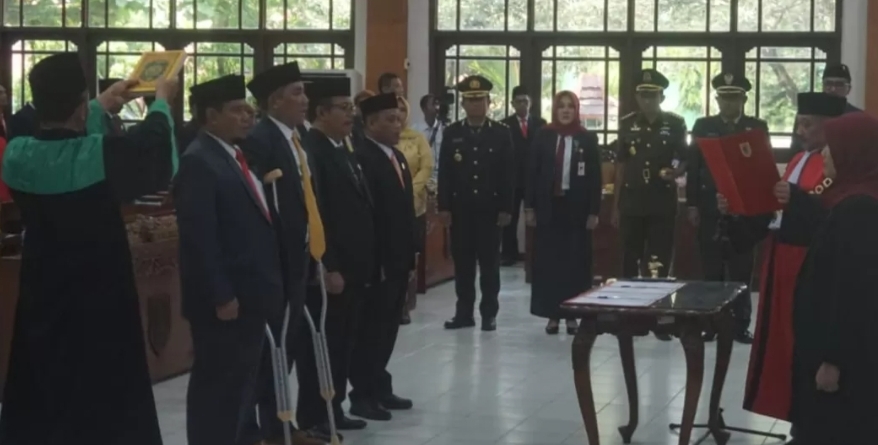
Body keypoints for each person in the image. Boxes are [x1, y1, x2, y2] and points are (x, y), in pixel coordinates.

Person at [0, 52, 178, 445]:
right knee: (103, 391)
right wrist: (161, 102)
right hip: (100, 293)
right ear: (80, 107)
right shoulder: (100, 153)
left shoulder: (17, 154)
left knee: (42, 380)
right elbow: (152, 152)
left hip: (42, 290)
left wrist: (99, 103)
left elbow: (52, 138)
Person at [719, 92, 847, 427]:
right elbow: (776, 211)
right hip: (780, 261)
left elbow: (828, 215)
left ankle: (810, 418)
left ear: (830, 127)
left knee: (801, 341)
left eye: (807, 124)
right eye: (798, 123)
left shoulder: (838, 163)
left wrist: (795, 198)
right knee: (779, 342)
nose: (799, 131)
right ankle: (789, 411)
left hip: (809, 264)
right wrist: (736, 209)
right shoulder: (798, 160)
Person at [244, 61, 329, 445]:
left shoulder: (299, 137)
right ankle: (264, 428)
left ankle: (281, 424)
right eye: (297, 93)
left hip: (300, 257)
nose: (305, 100)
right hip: (276, 262)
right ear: (275, 101)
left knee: (288, 347)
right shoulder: (261, 140)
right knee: (270, 350)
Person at [789, 112, 878, 445]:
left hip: (843, 361)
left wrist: (833, 360)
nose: (823, 154)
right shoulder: (847, 199)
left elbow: (853, 293)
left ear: (853, 153)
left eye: (832, 147)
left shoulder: (859, 210)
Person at [295, 77, 374, 434]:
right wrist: (330, 266)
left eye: (351, 107)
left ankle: (334, 408)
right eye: (343, 108)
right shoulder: (313, 149)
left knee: (343, 342)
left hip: (355, 266)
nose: (350, 114)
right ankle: (314, 415)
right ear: (321, 112)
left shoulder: (342, 146)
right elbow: (320, 214)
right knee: (322, 346)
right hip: (333, 268)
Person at [687, 73, 768, 345]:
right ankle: (711, 324)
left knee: (741, 270)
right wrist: (692, 204)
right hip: (710, 207)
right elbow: (694, 167)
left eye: (734, 98)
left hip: (744, 211)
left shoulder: (755, 127)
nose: (728, 103)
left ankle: (741, 325)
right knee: (711, 270)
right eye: (724, 98)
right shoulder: (703, 126)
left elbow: (762, 167)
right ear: (717, 99)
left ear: (743, 99)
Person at [348, 93, 415, 421]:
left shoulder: (397, 157)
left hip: (400, 258)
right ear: (371, 123)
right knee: (371, 330)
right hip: (379, 261)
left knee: (389, 327)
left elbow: (405, 210)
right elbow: (368, 217)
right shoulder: (363, 158)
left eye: (399, 117)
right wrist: (378, 261)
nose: (397, 124)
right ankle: (362, 393)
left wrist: (412, 255)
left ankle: (380, 384)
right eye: (389, 119)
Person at [611, 69, 687, 340]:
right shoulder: (627, 123)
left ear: (661, 97)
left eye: (652, 95)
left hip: (661, 203)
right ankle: (632, 317)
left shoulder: (675, 124)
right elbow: (620, 166)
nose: (647, 100)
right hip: (632, 203)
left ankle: (659, 317)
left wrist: (676, 172)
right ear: (636, 97)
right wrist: (615, 206)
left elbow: (685, 158)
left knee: (658, 261)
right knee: (629, 260)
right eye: (643, 95)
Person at [438, 75, 515, 331]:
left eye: (479, 100)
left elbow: (508, 174)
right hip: (461, 211)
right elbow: (445, 173)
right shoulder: (452, 133)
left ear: (488, 102)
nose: (475, 104)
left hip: (490, 211)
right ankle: (464, 313)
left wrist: (506, 208)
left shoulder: (501, 133)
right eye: (470, 100)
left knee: (490, 266)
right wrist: (444, 207)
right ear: (463, 104)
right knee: (463, 265)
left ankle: (489, 314)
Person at [524, 91, 600, 336]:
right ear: (555, 110)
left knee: (574, 263)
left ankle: (572, 315)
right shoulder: (543, 135)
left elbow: (595, 177)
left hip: (576, 210)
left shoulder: (586, 138)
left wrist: (594, 211)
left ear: (576, 111)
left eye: (570, 107)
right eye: (561, 106)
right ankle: (552, 314)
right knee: (549, 263)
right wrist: (529, 207)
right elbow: (532, 172)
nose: (566, 111)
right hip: (548, 208)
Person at [396, 96, 433, 325]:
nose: (398, 114)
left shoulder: (417, 138)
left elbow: (426, 166)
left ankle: (406, 304)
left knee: (411, 253)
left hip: (414, 205)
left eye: (402, 109)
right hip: (388, 206)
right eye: (394, 109)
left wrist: (410, 190)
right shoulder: (380, 138)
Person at [502, 85, 546, 266]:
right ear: (512, 104)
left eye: (525, 101)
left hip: (534, 179)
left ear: (531, 103)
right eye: (519, 101)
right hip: (512, 179)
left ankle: (536, 254)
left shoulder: (541, 124)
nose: (522, 105)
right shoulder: (504, 125)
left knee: (536, 217)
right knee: (510, 218)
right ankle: (509, 254)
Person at [789, 63, 859, 154]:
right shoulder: (809, 113)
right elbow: (796, 148)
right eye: (828, 84)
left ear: (848, 89)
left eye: (839, 84)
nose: (833, 89)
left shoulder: (857, 117)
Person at [413, 93, 444, 183]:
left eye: (437, 104)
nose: (436, 107)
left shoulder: (444, 129)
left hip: (440, 177)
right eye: (433, 104)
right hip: (422, 178)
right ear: (424, 109)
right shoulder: (415, 131)